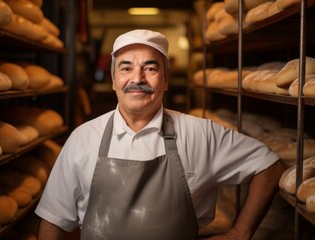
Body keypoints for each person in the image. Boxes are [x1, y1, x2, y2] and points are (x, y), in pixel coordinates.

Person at [35, 29, 286, 240]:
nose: (137, 78)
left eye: (150, 68)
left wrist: (239, 233)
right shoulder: (83, 139)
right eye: (126, 68)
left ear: (165, 79)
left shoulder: (199, 134)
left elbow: (269, 166)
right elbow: (53, 219)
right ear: (113, 80)